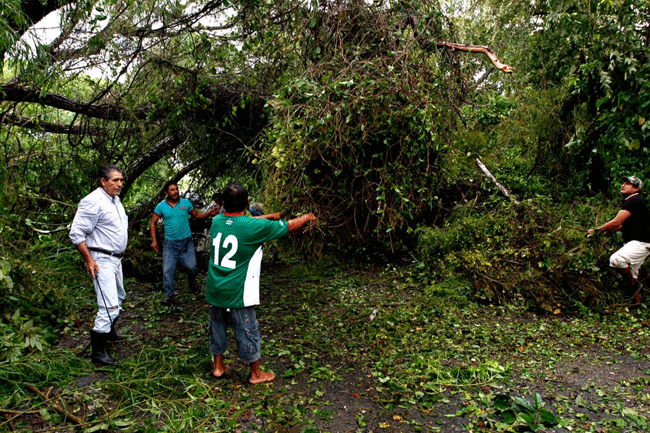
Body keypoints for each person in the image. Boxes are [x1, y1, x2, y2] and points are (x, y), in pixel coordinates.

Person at [206, 182, 317, 384]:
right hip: (238, 291)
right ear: (247, 203)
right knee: (247, 329)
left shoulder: (216, 221)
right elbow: (289, 226)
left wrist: (270, 216)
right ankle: (256, 374)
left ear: (222, 203)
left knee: (217, 327)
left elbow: (244, 223)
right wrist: (308, 217)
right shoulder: (253, 227)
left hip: (215, 288)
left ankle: (218, 367)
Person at [69, 165, 128, 366]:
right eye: (115, 180)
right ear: (103, 181)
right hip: (101, 260)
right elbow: (76, 233)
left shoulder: (115, 200)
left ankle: (108, 332)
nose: (119, 184)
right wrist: (89, 259)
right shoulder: (92, 201)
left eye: (121, 180)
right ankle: (98, 353)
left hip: (116, 259)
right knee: (109, 306)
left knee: (119, 297)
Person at [150, 181, 218, 305]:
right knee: (167, 270)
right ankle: (169, 296)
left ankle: (192, 284)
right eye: (172, 190)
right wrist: (154, 240)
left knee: (192, 267)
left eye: (176, 189)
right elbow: (153, 223)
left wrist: (210, 213)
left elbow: (197, 216)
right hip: (170, 244)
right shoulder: (161, 206)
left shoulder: (185, 203)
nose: (175, 191)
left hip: (186, 242)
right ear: (166, 193)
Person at [588, 176, 650, 305]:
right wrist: (607, 231)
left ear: (636, 188)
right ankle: (636, 305)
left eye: (628, 184)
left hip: (641, 242)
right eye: (623, 183)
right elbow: (623, 226)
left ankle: (633, 287)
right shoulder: (633, 202)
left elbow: (616, 221)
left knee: (617, 259)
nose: (623, 185)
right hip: (637, 241)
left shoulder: (633, 200)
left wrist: (596, 231)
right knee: (632, 273)